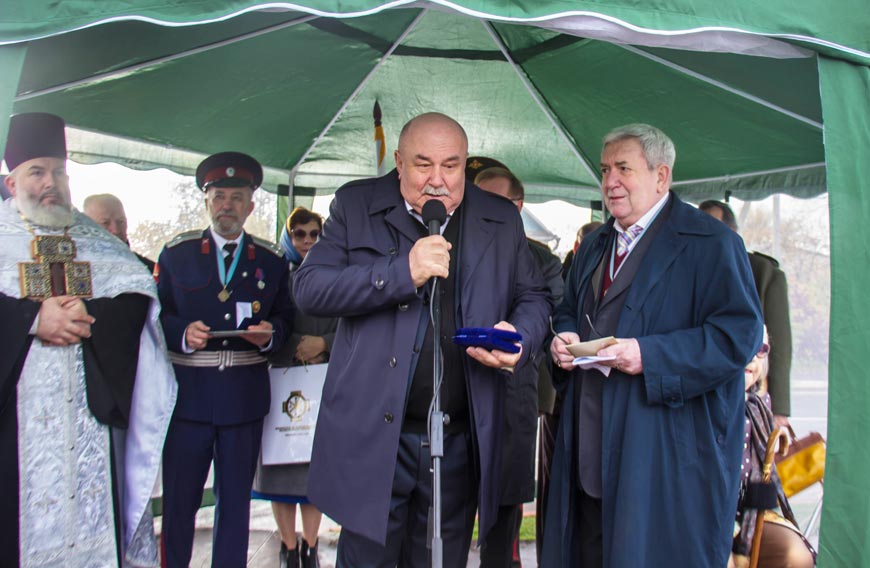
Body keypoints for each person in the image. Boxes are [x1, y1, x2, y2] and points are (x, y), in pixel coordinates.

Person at [293, 112, 551, 566]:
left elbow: (533, 296)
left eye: (451, 166)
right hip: (374, 440)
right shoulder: (356, 205)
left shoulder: (499, 218)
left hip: (458, 441)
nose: (437, 180)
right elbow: (310, 288)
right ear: (398, 161)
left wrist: (521, 337)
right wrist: (401, 273)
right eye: (422, 164)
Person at [544, 123, 763, 567]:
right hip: (588, 452)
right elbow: (568, 309)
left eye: (623, 169)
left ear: (661, 176)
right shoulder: (595, 245)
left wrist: (649, 356)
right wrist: (563, 336)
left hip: (662, 461)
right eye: (605, 169)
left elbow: (738, 336)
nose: (610, 181)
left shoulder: (712, 243)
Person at [0, 112, 176, 567]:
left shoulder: (96, 242)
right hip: (14, 432)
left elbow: (137, 296)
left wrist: (90, 313)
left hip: (90, 429)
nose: (50, 183)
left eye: (59, 172)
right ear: (12, 181)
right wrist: (31, 319)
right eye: (37, 172)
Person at [157, 151, 294, 568]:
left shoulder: (272, 261)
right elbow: (157, 315)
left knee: (235, 506)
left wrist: (271, 335)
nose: (226, 206)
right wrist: (181, 333)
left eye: (236, 198)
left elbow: (286, 318)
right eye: (218, 196)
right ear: (206, 201)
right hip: (188, 399)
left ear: (251, 206)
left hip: (243, 399)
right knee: (179, 503)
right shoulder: (177, 254)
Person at [474, 164, 564, 568]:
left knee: (505, 500)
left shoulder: (541, 260)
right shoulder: (450, 248)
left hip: (513, 392)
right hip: (460, 395)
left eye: (495, 202)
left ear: (518, 206)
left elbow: (551, 317)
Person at [253, 207, 337, 568]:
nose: (307, 241)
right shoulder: (275, 275)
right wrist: (294, 346)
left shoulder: (337, 275)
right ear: (289, 237)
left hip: (323, 383)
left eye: (314, 233)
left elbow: (353, 326)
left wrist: (324, 344)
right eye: (299, 234)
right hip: (283, 382)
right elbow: (264, 325)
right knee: (280, 470)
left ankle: (310, 546)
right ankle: (288, 547)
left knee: (314, 473)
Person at [699, 200, 793, 426]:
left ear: (732, 233)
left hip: (749, 397)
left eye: (710, 227)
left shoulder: (764, 274)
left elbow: (779, 344)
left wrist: (779, 410)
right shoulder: (690, 272)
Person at [730, 326, 815, 568]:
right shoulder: (703, 402)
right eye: (746, 344)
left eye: (761, 349)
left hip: (747, 508)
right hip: (705, 508)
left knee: (795, 555)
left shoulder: (760, 404)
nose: (752, 357)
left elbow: (760, 470)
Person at [83, 192, 156, 272]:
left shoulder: (149, 271)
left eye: (121, 222)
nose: (116, 230)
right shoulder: (77, 270)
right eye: (105, 223)